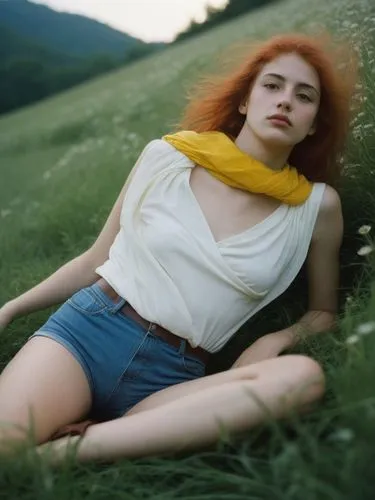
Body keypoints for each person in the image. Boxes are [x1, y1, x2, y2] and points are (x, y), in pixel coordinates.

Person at [0, 32, 357, 464]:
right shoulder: (168, 158)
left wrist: (278, 339)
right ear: (245, 99)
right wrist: (10, 309)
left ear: (314, 123)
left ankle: (60, 454)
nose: (285, 101)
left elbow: (322, 313)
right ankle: (97, 444)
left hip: (173, 376)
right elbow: (96, 261)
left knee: (304, 377)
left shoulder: (315, 207)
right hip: (88, 332)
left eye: (304, 96)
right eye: (272, 85)